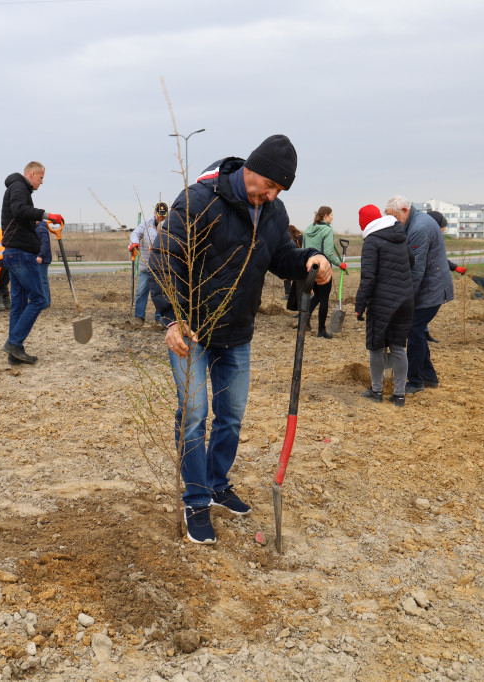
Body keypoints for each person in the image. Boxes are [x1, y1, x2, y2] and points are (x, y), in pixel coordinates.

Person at [150, 134, 332, 545]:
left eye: (279, 191)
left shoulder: (272, 210)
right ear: (251, 169)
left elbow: (281, 256)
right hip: (191, 332)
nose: (270, 196)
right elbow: (165, 257)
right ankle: (195, 499)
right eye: (267, 186)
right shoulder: (199, 200)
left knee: (230, 417)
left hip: (236, 333)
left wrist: (309, 259)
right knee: (194, 414)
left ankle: (216, 483)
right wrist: (172, 319)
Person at [385, 197, 454, 393]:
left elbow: (416, 269)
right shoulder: (416, 221)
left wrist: (405, 300)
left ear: (405, 210)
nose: (393, 222)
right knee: (419, 330)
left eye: (394, 217)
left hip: (431, 288)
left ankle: (416, 381)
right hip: (431, 286)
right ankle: (429, 377)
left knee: (414, 330)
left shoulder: (419, 229)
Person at [0, 161, 64, 365]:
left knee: (18, 304)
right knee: (39, 299)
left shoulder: (17, 188)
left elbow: (21, 215)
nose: (42, 182)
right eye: (41, 178)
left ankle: (15, 352)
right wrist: (47, 215)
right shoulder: (19, 186)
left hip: (14, 253)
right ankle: (13, 342)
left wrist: (38, 221)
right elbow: (20, 210)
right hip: (21, 254)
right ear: (32, 173)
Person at [354, 205, 414, 407]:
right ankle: (399, 395)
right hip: (405, 299)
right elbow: (411, 260)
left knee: (376, 346)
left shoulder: (372, 241)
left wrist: (359, 305)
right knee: (398, 347)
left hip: (382, 302)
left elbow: (368, 278)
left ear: (365, 222)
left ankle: (377, 391)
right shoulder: (399, 235)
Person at [301, 206, 346, 338]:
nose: (332, 217)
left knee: (318, 296)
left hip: (309, 268)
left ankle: (305, 318)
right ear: (325, 216)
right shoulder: (327, 230)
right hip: (322, 269)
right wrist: (340, 264)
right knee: (324, 299)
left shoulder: (309, 228)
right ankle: (321, 331)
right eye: (331, 215)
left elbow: (303, 249)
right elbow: (328, 253)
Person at [424, 210, 467, 344]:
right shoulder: (425, 237)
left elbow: (440, 259)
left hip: (427, 278)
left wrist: (455, 268)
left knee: (422, 309)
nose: (443, 231)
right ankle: (419, 332)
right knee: (421, 309)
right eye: (442, 229)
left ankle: (423, 332)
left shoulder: (432, 237)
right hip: (423, 279)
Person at [128, 202, 168, 326]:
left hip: (161, 267)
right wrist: (134, 243)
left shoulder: (168, 227)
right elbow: (135, 234)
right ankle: (139, 318)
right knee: (140, 292)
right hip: (146, 266)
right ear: (154, 213)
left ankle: (159, 318)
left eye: (163, 216)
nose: (160, 218)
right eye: (158, 215)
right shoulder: (145, 224)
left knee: (160, 293)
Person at [35, 219, 52, 310]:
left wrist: (40, 255)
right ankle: (46, 301)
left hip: (42, 259)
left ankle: (45, 302)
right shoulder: (40, 228)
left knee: (42, 280)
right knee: (42, 280)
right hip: (42, 258)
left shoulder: (40, 229)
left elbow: (45, 243)